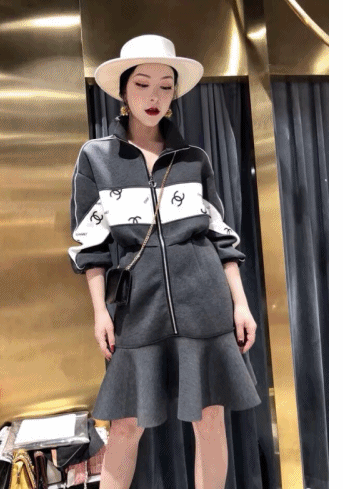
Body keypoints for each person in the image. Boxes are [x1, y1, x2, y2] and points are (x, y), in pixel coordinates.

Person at [68, 34, 261, 489]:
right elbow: (90, 245)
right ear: (123, 90)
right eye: (142, 84)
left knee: (209, 417)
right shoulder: (97, 157)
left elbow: (220, 235)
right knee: (125, 425)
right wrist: (100, 313)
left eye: (165, 86)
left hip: (205, 300)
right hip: (138, 308)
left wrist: (240, 303)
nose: (154, 97)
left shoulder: (193, 159)